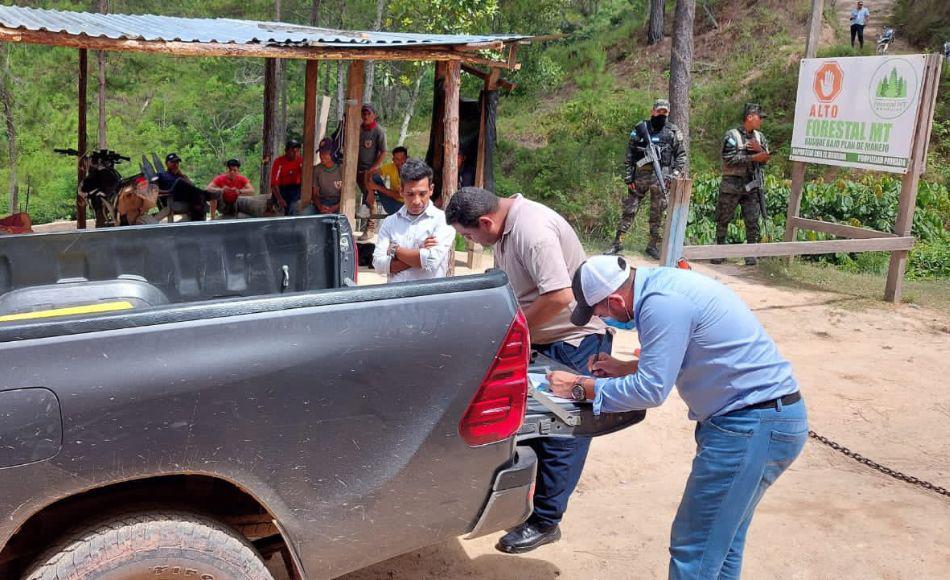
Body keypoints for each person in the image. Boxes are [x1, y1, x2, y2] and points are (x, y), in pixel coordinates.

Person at [547, 255, 807, 580]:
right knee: (721, 545)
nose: (603, 320)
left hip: (751, 426)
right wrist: (627, 368)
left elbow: (651, 391)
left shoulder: (662, 304)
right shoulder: (662, 286)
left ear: (615, 300)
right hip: (762, 420)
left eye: (600, 313)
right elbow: (687, 354)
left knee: (694, 549)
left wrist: (580, 388)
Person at [445, 187, 612, 554]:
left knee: (561, 433)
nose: (473, 242)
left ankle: (546, 521)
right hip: (543, 339)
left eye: (470, 236)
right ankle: (529, 505)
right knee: (532, 425)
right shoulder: (506, 228)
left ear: (486, 221)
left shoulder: (532, 231)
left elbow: (559, 297)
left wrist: (513, 332)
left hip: (573, 342)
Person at [608, 98, 686, 259]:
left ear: (668, 113)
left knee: (657, 213)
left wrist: (674, 175)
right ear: (653, 111)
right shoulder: (641, 129)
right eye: (659, 111)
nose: (661, 114)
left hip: (662, 177)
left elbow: (681, 156)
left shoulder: (673, 131)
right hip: (640, 176)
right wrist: (629, 177)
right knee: (629, 210)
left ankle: (652, 246)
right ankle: (618, 242)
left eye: (665, 112)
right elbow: (630, 153)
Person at [371, 159, 455, 283]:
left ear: (431, 190)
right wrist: (420, 253)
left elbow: (431, 261)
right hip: (396, 298)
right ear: (401, 191)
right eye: (410, 194)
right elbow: (378, 264)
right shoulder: (390, 222)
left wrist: (394, 249)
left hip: (427, 298)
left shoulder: (443, 221)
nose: (416, 201)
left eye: (422, 194)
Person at [713, 103, 770, 266]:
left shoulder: (760, 137)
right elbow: (728, 159)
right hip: (732, 185)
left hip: (752, 186)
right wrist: (752, 157)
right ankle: (719, 252)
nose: (761, 121)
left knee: (752, 221)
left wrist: (760, 150)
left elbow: (766, 158)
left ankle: (750, 254)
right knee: (723, 218)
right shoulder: (732, 135)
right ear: (750, 117)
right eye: (760, 117)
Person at [357, 104, 388, 240]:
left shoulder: (378, 131)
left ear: (374, 115)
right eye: (364, 113)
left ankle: (370, 229)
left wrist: (374, 168)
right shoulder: (358, 129)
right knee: (364, 197)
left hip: (370, 171)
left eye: (369, 114)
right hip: (357, 169)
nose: (366, 116)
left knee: (371, 199)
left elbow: (383, 152)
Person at [156, 153, 216, 222]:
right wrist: (168, 191)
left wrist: (183, 175)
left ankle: (198, 223)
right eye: (172, 162)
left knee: (198, 198)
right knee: (180, 181)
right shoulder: (161, 174)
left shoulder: (180, 175)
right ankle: (206, 194)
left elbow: (192, 187)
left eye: (177, 162)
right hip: (171, 197)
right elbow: (154, 189)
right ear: (166, 163)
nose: (175, 164)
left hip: (184, 197)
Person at [367, 146, 408, 216]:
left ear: (407, 158)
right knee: (375, 177)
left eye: (403, 159)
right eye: (397, 159)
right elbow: (371, 173)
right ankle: (371, 206)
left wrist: (377, 187)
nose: (401, 162)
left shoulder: (411, 171)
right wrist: (370, 192)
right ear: (393, 160)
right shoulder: (391, 167)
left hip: (406, 207)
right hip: (392, 203)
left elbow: (398, 195)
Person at [308, 138, 343, 215]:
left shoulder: (341, 169)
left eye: (325, 153)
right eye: (320, 152)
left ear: (333, 153)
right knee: (305, 213)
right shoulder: (317, 169)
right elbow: (314, 194)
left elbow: (346, 195)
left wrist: (334, 208)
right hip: (322, 202)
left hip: (338, 203)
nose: (321, 156)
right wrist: (320, 206)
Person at [271, 138, 304, 216]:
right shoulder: (279, 162)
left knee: (292, 203)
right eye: (293, 151)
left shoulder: (301, 161)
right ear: (286, 151)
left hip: (295, 188)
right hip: (282, 188)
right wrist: (280, 199)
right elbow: (274, 184)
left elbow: (306, 179)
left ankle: (290, 220)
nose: (295, 154)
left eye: (297, 151)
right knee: (280, 203)